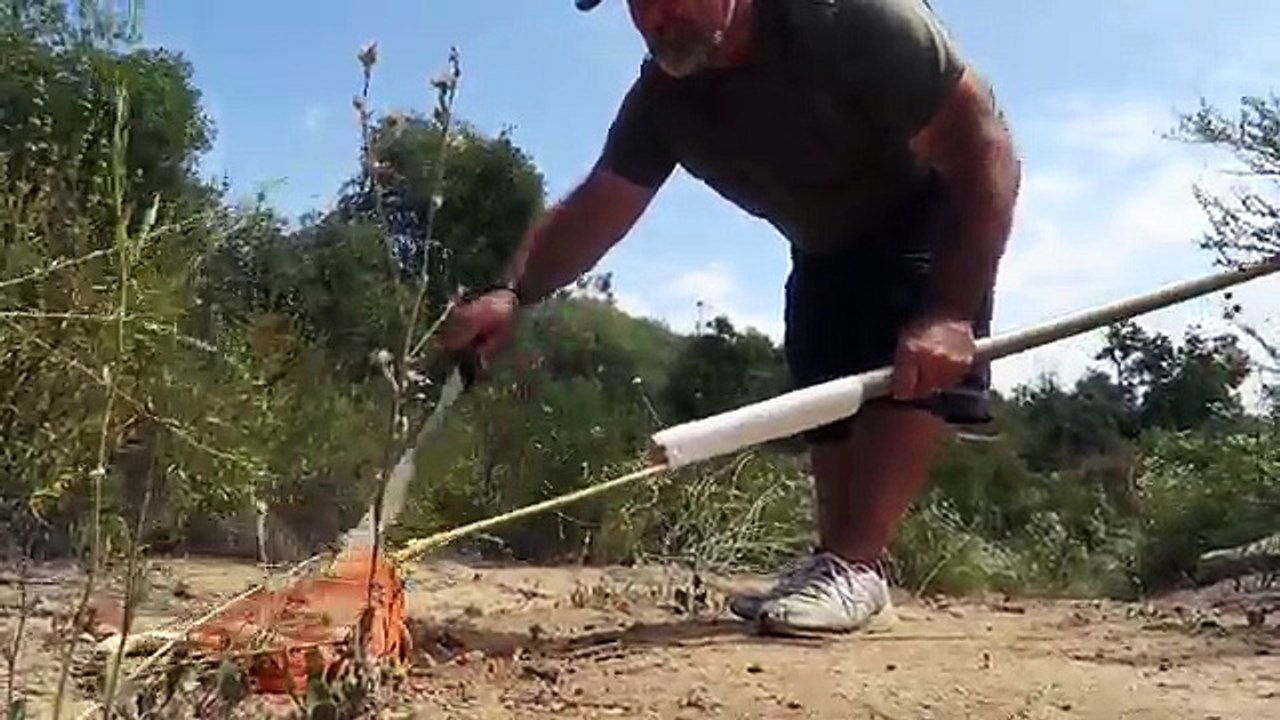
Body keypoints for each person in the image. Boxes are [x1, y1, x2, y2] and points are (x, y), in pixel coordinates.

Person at [439, 0, 1021, 636]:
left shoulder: (850, 19)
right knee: (823, 381)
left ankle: (857, 563)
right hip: (823, 241)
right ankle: (840, 566)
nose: (655, 14)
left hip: (929, 205)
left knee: (903, 367)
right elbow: (602, 202)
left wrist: (950, 311)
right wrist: (513, 292)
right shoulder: (664, 100)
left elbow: (983, 143)